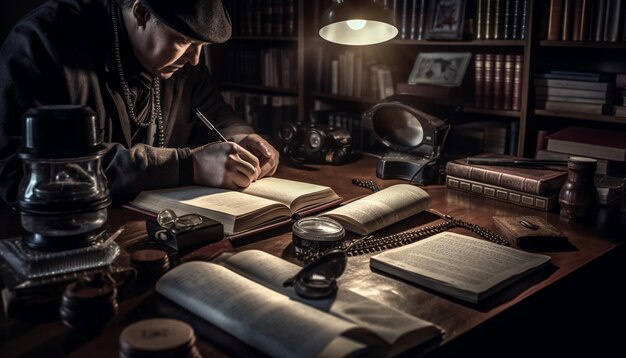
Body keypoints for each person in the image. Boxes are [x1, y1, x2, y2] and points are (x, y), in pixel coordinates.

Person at [0, 0, 279, 205]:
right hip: (68, 237)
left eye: (202, 46)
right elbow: (17, 171)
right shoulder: (43, 40)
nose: (195, 59)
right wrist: (187, 165)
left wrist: (243, 137)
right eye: (183, 40)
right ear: (141, 12)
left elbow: (215, 113)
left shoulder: (185, 64)